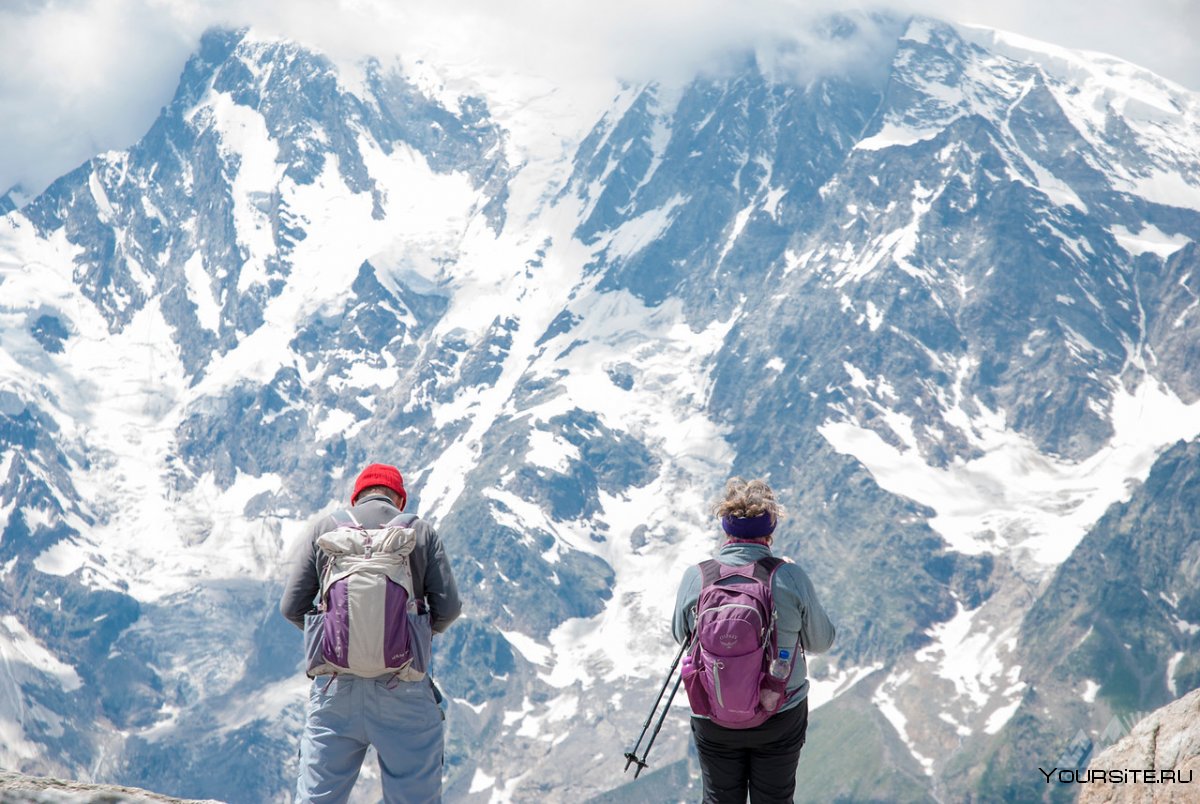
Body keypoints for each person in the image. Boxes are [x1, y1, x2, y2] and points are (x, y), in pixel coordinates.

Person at [280, 463, 462, 804]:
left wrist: (333, 638)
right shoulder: (419, 532)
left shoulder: (326, 529)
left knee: (318, 799)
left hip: (335, 689)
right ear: (399, 500)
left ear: (356, 496)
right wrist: (414, 637)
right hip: (404, 687)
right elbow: (449, 609)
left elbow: (291, 607)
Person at [672, 477, 836, 804]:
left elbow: (681, 635)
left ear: (725, 528)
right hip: (779, 709)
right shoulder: (788, 576)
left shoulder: (698, 576)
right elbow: (821, 642)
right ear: (770, 529)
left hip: (712, 711)